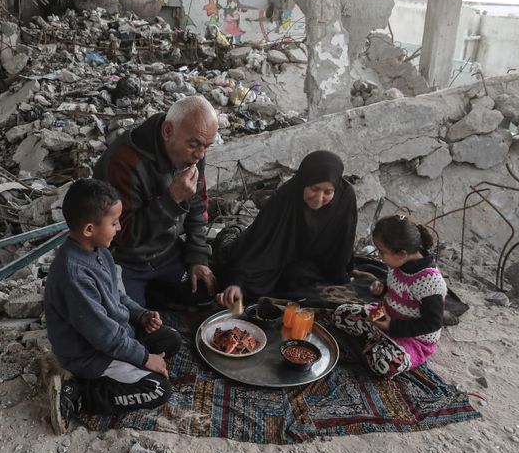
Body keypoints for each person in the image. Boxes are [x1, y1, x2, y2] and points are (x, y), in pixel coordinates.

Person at [43, 179, 183, 432]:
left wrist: (140, 315)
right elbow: (105, 337)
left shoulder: (99, 251)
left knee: (171, 340)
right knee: (158, 389)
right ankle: (79, 394)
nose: (119, 227)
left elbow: (116, 295)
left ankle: (132, 359)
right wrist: (145, 358)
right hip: (91, 354)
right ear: (89, 229)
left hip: (115, 335)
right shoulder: (74, 275)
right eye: (114, 222)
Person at [94, 95, 219, 308]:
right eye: (194, 145)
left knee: (206, 292)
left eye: (207, 146)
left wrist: (198, 256)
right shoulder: (123, 161)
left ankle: (156, 293)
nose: (200, 154)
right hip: (126, 259)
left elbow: (198, 206)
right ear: (168, 131)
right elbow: (124, 235)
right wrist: (172, 200)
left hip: (166, 251)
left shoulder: (195, 151)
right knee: (126, 319)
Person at [216, 150, 357, 309]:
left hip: (314, 263)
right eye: (314, 188)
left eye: (328, 192)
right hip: (279, 257)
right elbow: (259, 243)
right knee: (247, 283)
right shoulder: (285, 197)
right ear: (304, 182)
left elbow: (344, 242)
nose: (319, 198)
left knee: (312, 290)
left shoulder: (345, 197)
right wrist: (238, 282)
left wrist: (340, 276)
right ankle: (233, 232)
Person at [331, 215, 446, 380]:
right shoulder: (399, 263)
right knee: (340, 314)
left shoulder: (430, 283)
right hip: (384, 315)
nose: (379, 256)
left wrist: (392, 327)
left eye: (382, 252)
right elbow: (395, 282)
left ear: (402, 254)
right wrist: (382, 287)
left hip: (411, 337)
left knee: (382, 364)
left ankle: (380, 342)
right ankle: (377, 339)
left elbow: (432, 323)